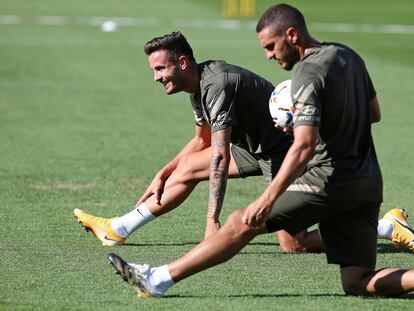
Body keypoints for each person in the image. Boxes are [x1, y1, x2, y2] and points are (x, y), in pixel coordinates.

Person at [107, 4, 414, 298]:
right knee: (357, 282)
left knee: (243, 220)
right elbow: (374, 113)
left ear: (292, 35)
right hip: (368, 180)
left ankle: (156, 279)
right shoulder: (349, 56)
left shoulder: (306, 74)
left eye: (271, 47)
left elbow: (304, 146)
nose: (268, 56)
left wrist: (267, 199)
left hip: (329, 179)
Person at [73, 32, 414, 253]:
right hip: (254, 148)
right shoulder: (198, 84)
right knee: (188, 167)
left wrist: (212, 221)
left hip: (281, 151)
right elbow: (201, 141)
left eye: (160, 69)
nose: (156, 77)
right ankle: (119, 228)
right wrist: (164, 171)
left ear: (182, 63)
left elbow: (219, 156)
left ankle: (385, 227)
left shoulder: (216, 84)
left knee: (293, 244)